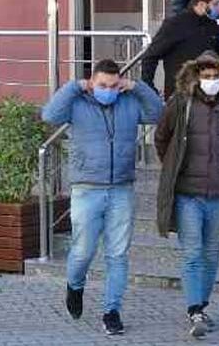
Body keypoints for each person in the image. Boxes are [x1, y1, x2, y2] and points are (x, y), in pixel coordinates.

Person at [41, 59, 164, 335]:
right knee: (83, 251)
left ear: (120, 84)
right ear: (92, 83)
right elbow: (49, 115)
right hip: (87, 189)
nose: (107, 90)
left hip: (122, 188)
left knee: (118, 255)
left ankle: (112, 311)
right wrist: (75, 86)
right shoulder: (77, 104)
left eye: (113, 85)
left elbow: (158, 113)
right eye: (102, 85)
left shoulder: (129, 102)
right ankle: (75, 285)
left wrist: (137, 86)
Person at [154, 51, 219, 339]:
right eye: (206, 77)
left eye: (216, 76)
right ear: (195, 77)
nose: (211, 81)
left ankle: (201, 306)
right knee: (193, 253)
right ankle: (194, 309)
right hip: (188, 195)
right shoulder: (180, 103)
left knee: (212, 255)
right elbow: (161, 137)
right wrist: (172, 164)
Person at [142, 0, 219, 100]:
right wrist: (149, 88)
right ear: (201, 4)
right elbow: (151, 56)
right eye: (215, 4)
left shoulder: (210, 25)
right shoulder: (175, 24)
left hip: (206, 95)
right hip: (180, 96)